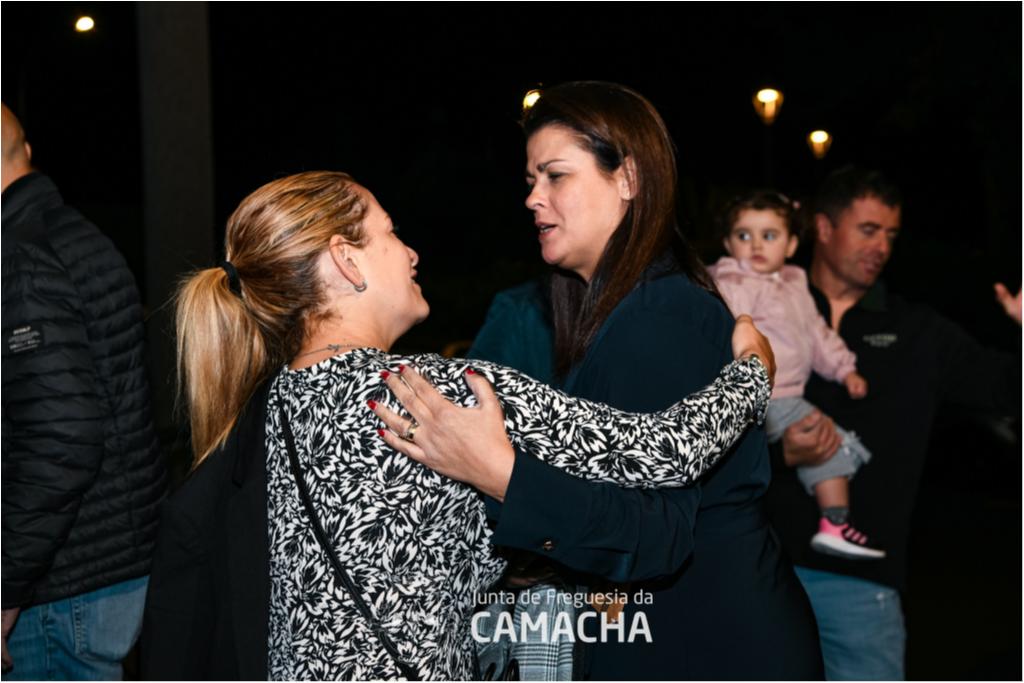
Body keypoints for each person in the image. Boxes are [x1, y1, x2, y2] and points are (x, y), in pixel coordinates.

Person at [139, 170, 777, 680]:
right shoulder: (436, 393)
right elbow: (664, 450)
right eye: (390, 233)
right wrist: (753, 371)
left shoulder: (267, 408)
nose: (411, 252)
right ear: (346, 260)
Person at [382, 82, 824, 680]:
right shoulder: (623, 312)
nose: (533, 198)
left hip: (709, 642)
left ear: (628, 178)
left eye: (555, 176)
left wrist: (498, 472)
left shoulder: (661, 313)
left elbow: (655, 529)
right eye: (530, 180)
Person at [762, 166, 1021, 680]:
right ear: (823, 228)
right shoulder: (760, 311)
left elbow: (1004, 389)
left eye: (891, 235)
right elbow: (702, 426)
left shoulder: (918, 331)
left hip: (862, 586)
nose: (881, 246)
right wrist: (776, 453)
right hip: (758, 570)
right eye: (868, 229)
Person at [0, 103, 167, 679]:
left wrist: (6, 582)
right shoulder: (71, 234)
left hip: (59, 586)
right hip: (100, 563)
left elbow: (62, 437)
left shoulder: (19, 259)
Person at [708, 190, 883, 560]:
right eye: (744, 235)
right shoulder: (733, 282)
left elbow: (817, 334)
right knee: (830, 443)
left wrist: (845, 369)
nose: (756, 245)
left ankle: (833, 523)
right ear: (727, 243)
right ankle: (834, 523)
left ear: (790, 245)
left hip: (787, 393)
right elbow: (723, 329)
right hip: (762, 392)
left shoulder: (794, 283)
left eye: (769, 235)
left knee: (824, 444)